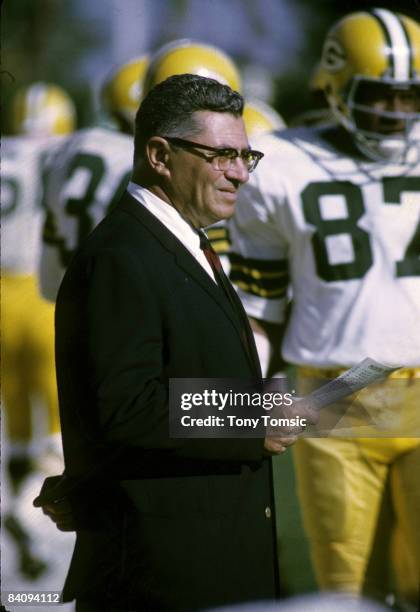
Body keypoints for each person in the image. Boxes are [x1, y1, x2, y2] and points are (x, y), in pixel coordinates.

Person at [36, 74, 295, 612]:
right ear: (159, 154)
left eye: (248, 157)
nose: (241, 174)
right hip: (161, 579)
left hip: (204, 562)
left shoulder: (179, 242)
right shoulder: (122, 256)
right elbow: (128, 406)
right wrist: (250, 416)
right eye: (223, 155)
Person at [229, 7, 420, 608]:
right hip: (334, 397)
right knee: (348, 592)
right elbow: (261, 309)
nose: (396, 113)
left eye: (409, 96)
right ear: (336, 86)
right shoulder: (275, 162)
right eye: (380, 96)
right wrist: (252, 402)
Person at [1, 81, 75, 577]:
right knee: (59, 423)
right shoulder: (68, 156)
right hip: (43, 294)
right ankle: (27, 510)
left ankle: (14, 496)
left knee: (16, 425)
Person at [39, 55, 149, 302]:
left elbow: (48, 279)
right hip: (121, 309)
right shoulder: (145, 162)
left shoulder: (68, 148)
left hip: (66, 305)